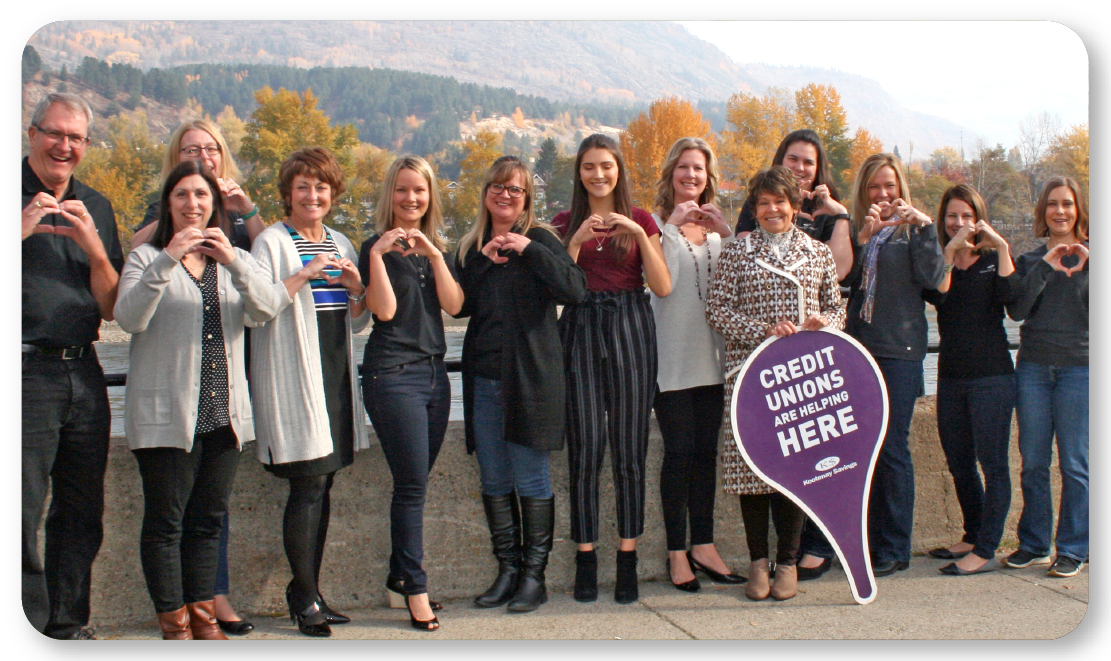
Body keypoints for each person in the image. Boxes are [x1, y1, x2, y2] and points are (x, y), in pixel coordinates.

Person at [113, 161, 279, 639]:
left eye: (202, 196)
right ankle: (174, 625)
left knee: (207, 522)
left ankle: (204, 619)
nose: (193, 204)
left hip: (222, 417)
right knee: (166, 524)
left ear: (215, 204)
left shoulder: (229, 259)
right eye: (182, 195)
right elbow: (129, 319)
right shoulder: (146, 257)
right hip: (167, 417)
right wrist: (168, 259)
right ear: (168, 203)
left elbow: (267, 308)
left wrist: (235, 262)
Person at [799, 153, 944, 578]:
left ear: (901, 189)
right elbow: (845, 282)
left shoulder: (914, 230)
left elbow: (933, 277)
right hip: (859, 349)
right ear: (865, 190)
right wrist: (861, 235)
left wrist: (924, 227)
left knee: (893, 446)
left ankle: (894, 546)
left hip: (900, 350)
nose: (883, 194)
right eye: (875, 187)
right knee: (856, 448)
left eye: (890, 186)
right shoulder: (867, 231)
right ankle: (857, 541)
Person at [453, 156, 587, 612]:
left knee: (531, 477)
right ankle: (507, 570)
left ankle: (535, 577)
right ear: (486, 192)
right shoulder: (472, 246)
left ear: (527, 197)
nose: (505, 195)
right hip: (485, 379)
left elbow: (574, 290)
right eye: (498, 186)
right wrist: (487, 260)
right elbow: (459, 306)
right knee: (493, 477)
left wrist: (528, 250)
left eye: (516, 189)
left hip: (531, 379)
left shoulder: (543, 239)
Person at [706, 166, 845, 601]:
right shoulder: (736, 252)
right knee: (752, 473)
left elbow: (838, 310)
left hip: (800, 381)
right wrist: (763, 331)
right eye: (763, 203)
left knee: (793, 473)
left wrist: (824, 324)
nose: (771, 210)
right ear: (754, 207)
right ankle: (757, 563)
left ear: (794, 205)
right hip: (750, 376)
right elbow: (717, 310)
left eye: (779, 202)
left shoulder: (818, 253)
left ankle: (788, 561)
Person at [250, 147, 369, 637]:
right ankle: (301, 597)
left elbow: (358, 321)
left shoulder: (342, 241)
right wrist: (303, 273)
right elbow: (258, 308)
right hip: (294, 370)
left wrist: (357, 285)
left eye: (321, 186)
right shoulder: (272, 244)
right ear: (288, 193)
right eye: (303, 186)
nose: (312, 195)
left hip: (334, 368)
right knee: (309, 484)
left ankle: (312, 591)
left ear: (332, 192)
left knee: (327, 483)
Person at [551, 133, 671, 604]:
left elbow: (661, 287)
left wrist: (641, 235)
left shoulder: (641, 219)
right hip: (580, 324)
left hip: (630, 323)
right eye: (588, 167)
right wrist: (575, 242)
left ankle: (627, 556)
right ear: (578, 173)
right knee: (585, 445)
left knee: (629, 447)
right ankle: (586, 555)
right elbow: (558, 287)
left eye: (606, 165)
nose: (598, 174)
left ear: (619, 169)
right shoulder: (563, 222)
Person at [21, 93, 123, 640]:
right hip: (22, 370)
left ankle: (66, 624)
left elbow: (111, 306)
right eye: (54, 134)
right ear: (32, 133)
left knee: (82, 509)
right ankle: (24, 626)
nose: (64, 146)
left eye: (76, 138)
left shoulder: (97, 206)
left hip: (84, 368)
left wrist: (95, 247)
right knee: (18, 509)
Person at [359, 155, 463, 631]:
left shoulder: (437, 248)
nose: (410, 199)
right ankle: (416, 588)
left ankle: (398, 578)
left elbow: (455, 307)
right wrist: (379, 256)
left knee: (416, 478)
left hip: (435, 376)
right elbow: (382, 311)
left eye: (419, 190)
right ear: (390, 194)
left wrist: (436, 256)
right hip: (392, 374)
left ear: (429, 196)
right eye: (401, 190)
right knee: (412, 485)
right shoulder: (371, 247)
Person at [648, 138, 745, 591]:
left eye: (699, 169)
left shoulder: (714, 231)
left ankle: (704, 545)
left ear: (708, 177)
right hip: (671, 358)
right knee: (680, 453)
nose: (691, 175)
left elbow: (741, 283)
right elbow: (661, 284)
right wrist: (670, 225)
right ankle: (676, 553)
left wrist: (726, 234)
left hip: (714, 358)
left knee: (708, 454)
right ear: (670, 174)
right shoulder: (652, 225)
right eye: (683, 167)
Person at [921, 185, 1017, 575]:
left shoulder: (993, 260)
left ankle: (987, 548)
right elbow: (938, 296)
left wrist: (1004, 249)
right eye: (951, 216)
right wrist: (948, 252)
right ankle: (972, 533)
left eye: (966, 216)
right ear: (943, 220)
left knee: (993, 465)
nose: (958, 223)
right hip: (952, 376)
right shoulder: (939, 261)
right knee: (959, 462)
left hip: (992, 375)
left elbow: (1013, 302)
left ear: (977, 218)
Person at [1003, 176, 1088, 578]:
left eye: (1067, 204)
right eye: (1052, 204)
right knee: (1033, 461)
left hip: (1081, 370)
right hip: (1034, 369)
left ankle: (1072, 548)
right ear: (1043, 212)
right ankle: (1035, 544)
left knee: (1074, 463)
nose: (1060, 211)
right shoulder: (1030, 260)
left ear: (1078, 210)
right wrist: (1045, 268)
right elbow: (1016, 312)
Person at [734, 129, 853, 281]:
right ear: (781, 161)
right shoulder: (760, 201)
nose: (800, 167)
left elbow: (838, 271)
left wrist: (841, 214)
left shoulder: (827, 209)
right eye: (793, 159)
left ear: (818, 168)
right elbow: (744, 257)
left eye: (808, 162)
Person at [131, 119, 266, 251]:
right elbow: (136, 247)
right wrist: (177, 213)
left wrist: (248, 211)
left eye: (211, 149)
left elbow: (268, 256)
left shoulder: (236, 207)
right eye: (192, 150)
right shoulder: (163, 207)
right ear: (175, 158)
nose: (204, 156)